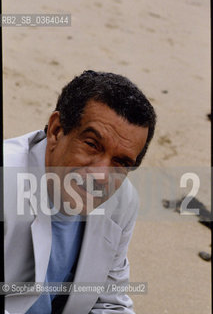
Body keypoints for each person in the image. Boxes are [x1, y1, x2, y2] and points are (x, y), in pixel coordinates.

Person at [4, 70, 156, 314]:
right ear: (56, 130)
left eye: (121, 162)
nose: (101, 176)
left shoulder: (123, 202)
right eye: (92, 145)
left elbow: (110, 302)